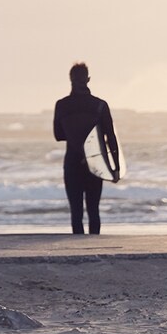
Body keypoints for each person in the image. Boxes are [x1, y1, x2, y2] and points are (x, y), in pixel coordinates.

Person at [53, 62, 119, 235]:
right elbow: (111, 137)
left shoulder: (62, 105)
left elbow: (58, 135)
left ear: (70, 80)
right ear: (88, 79)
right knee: (93, 210)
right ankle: (94, 246)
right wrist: (116, 168)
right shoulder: (100, 105)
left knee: (76, 212)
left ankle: (77, 249)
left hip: (72, 162)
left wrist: (75, 132)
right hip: (95, 162)